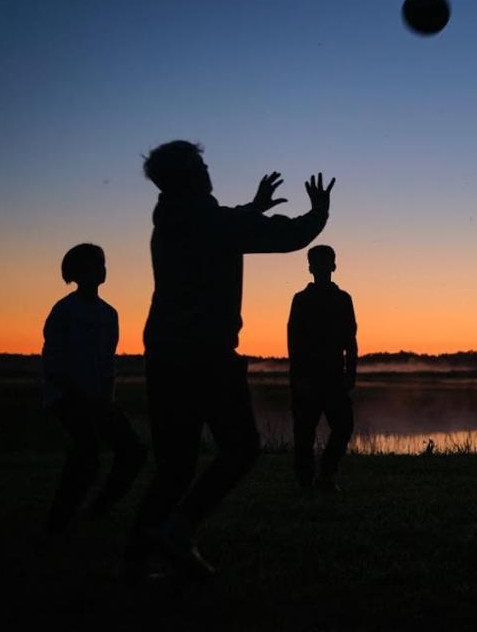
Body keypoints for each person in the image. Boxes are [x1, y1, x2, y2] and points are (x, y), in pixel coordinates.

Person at [125, 140, 334, 579]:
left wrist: (254, 206)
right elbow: (284, 237)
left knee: (175, 466)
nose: (207, 169)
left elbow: (226, 223)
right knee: (240, 448)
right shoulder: (207, 221)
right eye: (200, 164)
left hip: (165, 353)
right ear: (189, 175)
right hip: (205, 354)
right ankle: (178, 533)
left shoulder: (173, 217)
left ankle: (138, 561)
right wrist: (318, 214)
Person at [42, 243, 146, 535]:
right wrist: (75, 395)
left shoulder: (109, 314)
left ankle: (94, 512)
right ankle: (57, 524)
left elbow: (108, 363)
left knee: (133, 453)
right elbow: (53, 361)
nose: (102, 269)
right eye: (95, 264)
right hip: (67, 398)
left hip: (98, 401)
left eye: (103, 263)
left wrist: (106, 400)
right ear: (78, 273)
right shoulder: (64, 311)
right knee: (86, 457)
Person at [288, 244, 358, 491]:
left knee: (344, 426)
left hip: (334, 377)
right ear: (310, 268)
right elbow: (294, 342)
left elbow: (351, 339)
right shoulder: (301, 300)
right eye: (316, 263)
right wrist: (298, 378)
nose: (321, 267)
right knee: (304, 434)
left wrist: (350, 374)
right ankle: (306, 483)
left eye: (325, 262)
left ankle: (327, 474)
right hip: (308, 377)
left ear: (333, 266)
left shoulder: (343, 299)